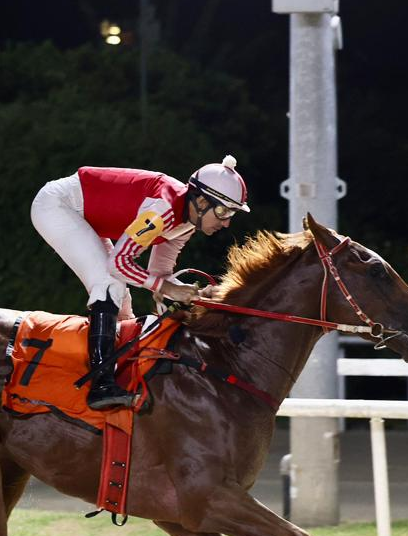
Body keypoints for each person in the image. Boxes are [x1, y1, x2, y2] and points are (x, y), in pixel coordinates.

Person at [30, 155, 251, 410]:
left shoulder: (186, 225)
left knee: (124, 303)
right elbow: (120, 264)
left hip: (84, 214)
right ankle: (101, 386)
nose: (226, 222)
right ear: (201, 201)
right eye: (223, 211)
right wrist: (168, 288)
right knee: (109, 284)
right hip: (57, 205)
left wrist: (197, 295)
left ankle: (120, 373)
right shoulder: (163, 211)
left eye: (232, 213)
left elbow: (159, 274)